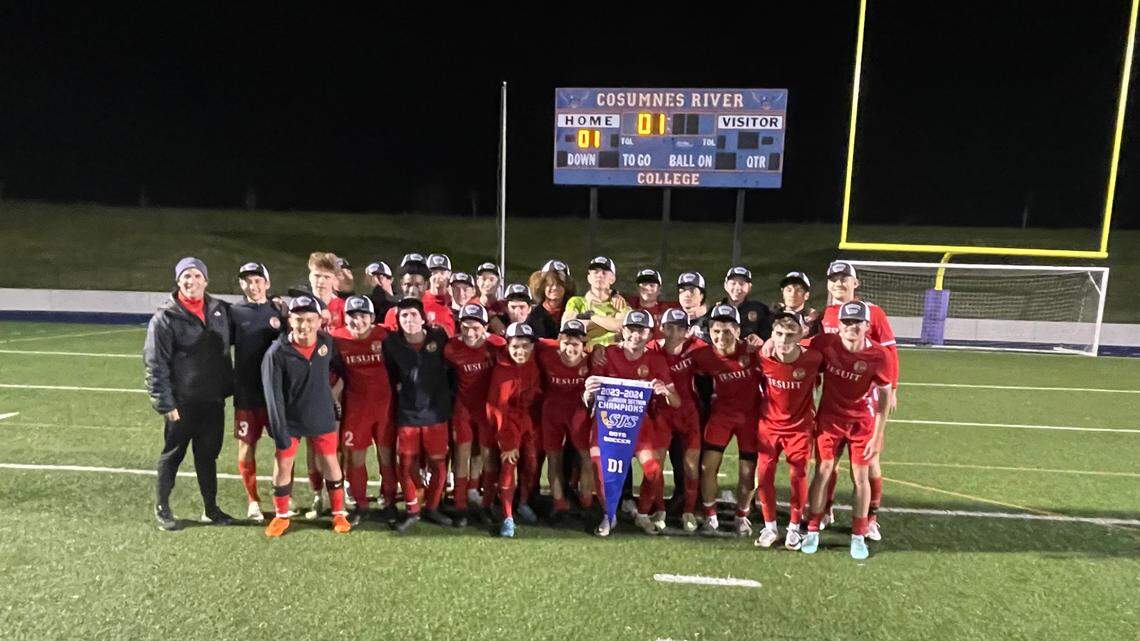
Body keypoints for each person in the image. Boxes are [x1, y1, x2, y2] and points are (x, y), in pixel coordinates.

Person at [144, 257, 235, 531]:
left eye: (196, 276)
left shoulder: (219, 309)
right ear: (178, 281)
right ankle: (162, 507)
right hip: (182, 403)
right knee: (173, 454)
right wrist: (165, 403)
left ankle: (211, 508)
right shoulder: (164, 318)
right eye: (186, 276)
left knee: (208, 456)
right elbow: (154, 363)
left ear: (206, 280)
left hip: (212, 401)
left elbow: (251, 320)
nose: (191, 281)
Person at [799, 300, 894, 560]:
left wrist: (878, 433)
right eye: (846, 322)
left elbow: (885, 396)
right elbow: (796, 346)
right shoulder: (826, 344)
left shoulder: (877, 355)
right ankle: (813, 529)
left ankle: (858, 534)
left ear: (867, 325)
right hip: (830, 421)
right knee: (823, 471)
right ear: (838, 325)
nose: (851, 327)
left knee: (860, 477)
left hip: (861, 423)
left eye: (857, 322)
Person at [818, 260, 899, 540]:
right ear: (828, 284)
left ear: (856, 283)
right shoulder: (827, 314)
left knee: (869, 462)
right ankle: (825, 510)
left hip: (868, 396)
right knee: (829, 463)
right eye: (834, 279)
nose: (839, 283)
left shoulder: (873, 312)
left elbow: (889, 350)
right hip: (835, 400)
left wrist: (893, 387)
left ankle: (871, 518)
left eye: (845, 279)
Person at [261, 295, 351, 537]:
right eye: (299, 320)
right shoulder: (277, 353)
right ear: (290, 320)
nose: (305, 326)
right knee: (283, 465)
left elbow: (341, 370)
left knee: (331, 462)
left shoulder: (326, 343)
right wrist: (278, 429)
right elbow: (273, 396)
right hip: (290, 421)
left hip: (321, 414)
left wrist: (333, 395)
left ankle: (339, 513)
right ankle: (281, 516)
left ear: (319, 321)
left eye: (310, 320)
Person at [585, 309, 680, 537]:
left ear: (649, 334)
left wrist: (664, 391)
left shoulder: (655, 360)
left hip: (638, 426)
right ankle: (609, 515)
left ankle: (643, 512)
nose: (635, 335)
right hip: (606, 424)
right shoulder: (605, 354)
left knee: (653, 470)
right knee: (601, 470)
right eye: (631, 329)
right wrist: (588, 393)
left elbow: (676, 401)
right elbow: (589, 392)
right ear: (623, 330)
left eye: (641, 331)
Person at [383, 296, 454, 532]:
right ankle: (412, 509)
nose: (409, 319)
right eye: (404, 315)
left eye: (413, 314)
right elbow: (390, 375)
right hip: (408, 414)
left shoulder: (439, 337)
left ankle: (432, 507)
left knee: (438, 463)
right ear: (398, 320)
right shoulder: (391, 343)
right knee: (406, 462)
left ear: (423, 317)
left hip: (436, 413)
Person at [754, 310, 822, 550]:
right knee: (764, 476)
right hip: (768, 426)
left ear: (800, 335)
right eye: (779, 334)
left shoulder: (814, 359)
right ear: (772, 334)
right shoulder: (763, 358)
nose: (783, 340)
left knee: (798, 476)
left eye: (790, 335)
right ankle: (770, 526)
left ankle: (794, 527)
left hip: (800, 429)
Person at [695, 304, 764, 537]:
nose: (720, 336)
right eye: (716, 331)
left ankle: (742, 515)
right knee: (707, 467)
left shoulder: (754, 351)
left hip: (750, 419)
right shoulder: (703, 356)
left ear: (737, 330)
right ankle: (710, 515)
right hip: (721, 416)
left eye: (726, 331)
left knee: (747, 471)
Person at [229, 261, 286, 523]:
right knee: (246, 447)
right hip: (246, 393)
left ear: (267, 282)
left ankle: (283, 495)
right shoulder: (234, 312)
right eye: (247, 281)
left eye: (257, 280)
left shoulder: (279, 311)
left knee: (283, 446)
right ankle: (253, 500)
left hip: (274, 394)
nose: (253, 286)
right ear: (242, 284)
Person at [656, 307, 721, 533]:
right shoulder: (652, 350)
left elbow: (723, 354)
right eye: (670, 327)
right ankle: (660, 510)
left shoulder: (696, 350)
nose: (674, 332)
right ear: (661, 328)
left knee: (691, 467)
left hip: (689, 414)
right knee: (655, 466)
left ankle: (689, 511)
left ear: (687, 331)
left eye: (680, 328)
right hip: (662, 414)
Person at [329, 295, 393, 526]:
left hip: (385, 406)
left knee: (386, 455)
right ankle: (361, 504)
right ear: (345, 319)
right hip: (356, 408)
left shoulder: (384, 336)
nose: (358, 321)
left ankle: (389, 502)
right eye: (352, 316)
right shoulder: (336, 339)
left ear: (372, 318)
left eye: (363, 316)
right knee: (355, 457)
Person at [444, 303, 506, 526]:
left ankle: (485, 504)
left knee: (488, 456)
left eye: (475, 328)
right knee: (461, 454)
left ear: (486, 327)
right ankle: (460, 505)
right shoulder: (451, 347)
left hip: (488, 409)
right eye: (465, 327)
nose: (470, 333)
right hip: (463, 408)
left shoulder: (498, 345)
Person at [484, 322, 543, 537]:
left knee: (532, 464)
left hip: (527, 421)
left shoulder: (532, 360)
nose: (521, 351)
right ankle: (507, 517)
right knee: (509, 465)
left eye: (526, 346)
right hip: (507, 424)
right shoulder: (502, 371)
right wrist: (507, 441)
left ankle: (523, 502)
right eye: (516, 346)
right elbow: (498, 408)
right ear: (507, 345)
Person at [535, 319, 595, 523]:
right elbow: (535, 342)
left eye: (576, 344)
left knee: (586, 457)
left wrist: (602, 348)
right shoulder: (546, 355)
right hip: (551, 412)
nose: (570, 348)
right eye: (566, 342)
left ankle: (587, 503)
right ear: (559, 339)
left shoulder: (591, 361)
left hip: (579, 412)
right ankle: (559, 504)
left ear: (583, 344)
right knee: (554, 458)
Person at [381, 253, 455, 338]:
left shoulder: (442, 312)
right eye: (408, 285)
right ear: (401, 284)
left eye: (418, 285)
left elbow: (450, 342)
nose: (412, 290)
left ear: (426, 285)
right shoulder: (392, 314)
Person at [563, 256, 629, 349]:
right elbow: (568, 328)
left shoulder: (620, 304)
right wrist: (609, 324)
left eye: (604, 272)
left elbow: (621, 327)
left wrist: (591, 317)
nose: (599, 275)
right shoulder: (576, 301)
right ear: (589, 278)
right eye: (595, 272)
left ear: (612, 279)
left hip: (610, 356)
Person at [721, 266, 772, 340]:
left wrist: (760, 340)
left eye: (742, 284)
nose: (737, 288)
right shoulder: (716, 310)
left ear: (749, 287)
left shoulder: (760, 309)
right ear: (725, 285)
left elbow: (769, 334)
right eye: (733, 283)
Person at [526, 268, 575, 339]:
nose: (554, 288)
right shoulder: (534, 315)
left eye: (559, 284)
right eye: (549, 285)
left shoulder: (574, 309)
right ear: (542, 287)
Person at [629, 269, 678, 337]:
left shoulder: (668, 310)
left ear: (659, 290)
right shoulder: (628, 304)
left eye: (652, 285)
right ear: (637, 288)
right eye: (644, 284)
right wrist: (614, 294)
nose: (647, 288)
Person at [424, 253, 457, 334]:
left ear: (449, 274)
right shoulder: (420, 298)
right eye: (434, 272)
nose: (438, 276)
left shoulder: (455, 299)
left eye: (442, 272)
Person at [676, 271, 710, 341]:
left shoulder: (711, 321)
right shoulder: (671, 321)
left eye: (692, 290)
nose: (687, 294)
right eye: (682, 290)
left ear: (701, 295)